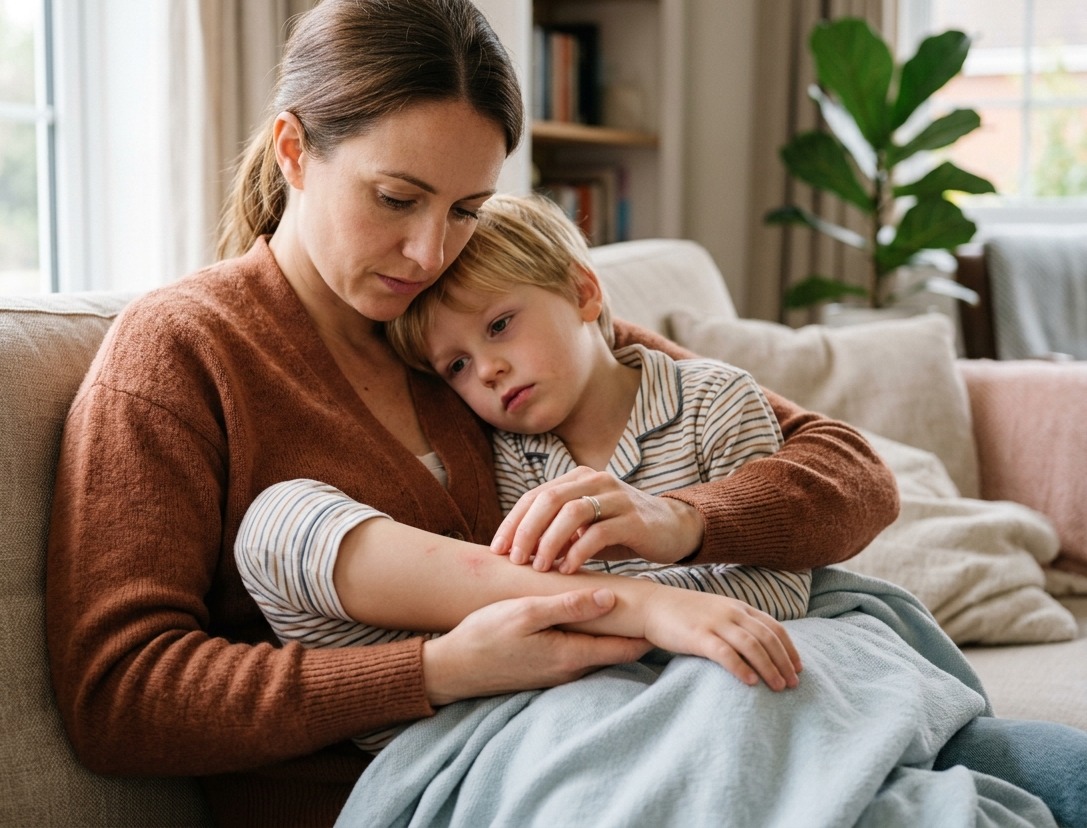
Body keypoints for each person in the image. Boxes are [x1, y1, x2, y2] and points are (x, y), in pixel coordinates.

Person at [46, 0, 905, 828]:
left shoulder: (479, 317)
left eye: (466, 207)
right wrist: (436, 672)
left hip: (613, 745)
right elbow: (119, 696)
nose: (427, 251)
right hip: (402, 795)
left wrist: (679, 518)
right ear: (294, 150)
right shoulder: (182, 349)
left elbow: (852, 475)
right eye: (396, 199)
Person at [234, 194, 814, 755]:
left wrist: (649, 612)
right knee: (278, 522)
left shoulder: (715, 400)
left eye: (500, 325)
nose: (487, 370)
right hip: (560, 698)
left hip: (698, 680)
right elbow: (511, 593)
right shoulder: (506, 453)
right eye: (456, 365)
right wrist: (631, 613)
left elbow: (784, 588)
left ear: (584, 292)